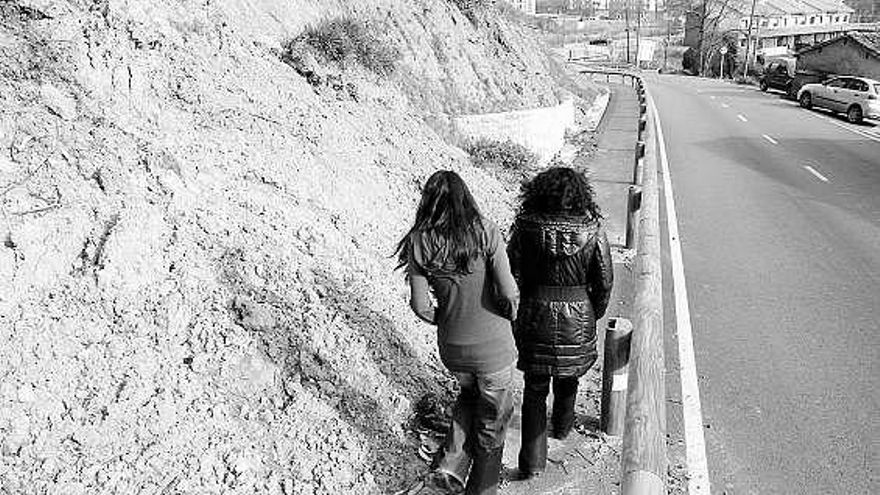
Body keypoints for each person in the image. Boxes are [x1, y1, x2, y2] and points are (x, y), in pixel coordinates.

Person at [395, 170, 519, 495]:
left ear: (428, 203)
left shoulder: (419, 242)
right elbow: (509, 293)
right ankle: (482, 490)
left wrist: (449, 318)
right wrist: (509, 317)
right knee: (493, 422)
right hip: (493, 348)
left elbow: (420, 306)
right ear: (466, 198)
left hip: (453, 348)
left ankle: (451, 468)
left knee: (468, 397)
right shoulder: (486, 231)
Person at [506, 167, 613, 478]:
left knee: (535, 388)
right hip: (578, 312)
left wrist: (516, 312)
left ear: (538, 192)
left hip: (534, 312)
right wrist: (593, 312)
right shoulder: (592, 229)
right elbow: (604, 281)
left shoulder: (525, 227)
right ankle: (563, 429)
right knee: (569, 376)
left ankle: (532, 463)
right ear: (581, 195)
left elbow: (511, 275)